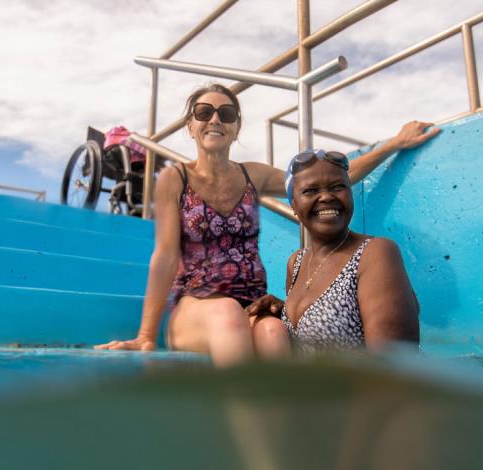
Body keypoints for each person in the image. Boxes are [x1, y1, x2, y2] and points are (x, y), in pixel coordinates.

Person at [96, 83, 438, 366]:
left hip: (251, 304)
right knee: (227, 314)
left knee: (274, 334)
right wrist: (145, 335)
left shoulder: (252, 175)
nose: (215, 118)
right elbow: (165, 257)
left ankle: (291, 429)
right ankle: (250, 440)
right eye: (203, 112)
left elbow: (319, 180)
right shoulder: (175, 178)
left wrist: (394, 143)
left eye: (226, 113)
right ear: (191, 126)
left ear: (236, 128)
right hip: (195, 307)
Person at [245, 149, 420, 354]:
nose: (326, 197)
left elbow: (395, 364)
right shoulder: (298, 262)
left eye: (338, 187)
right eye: (310, 191)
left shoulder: (375, 253)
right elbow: (326, 324)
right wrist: (281, 311)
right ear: (293, 204)